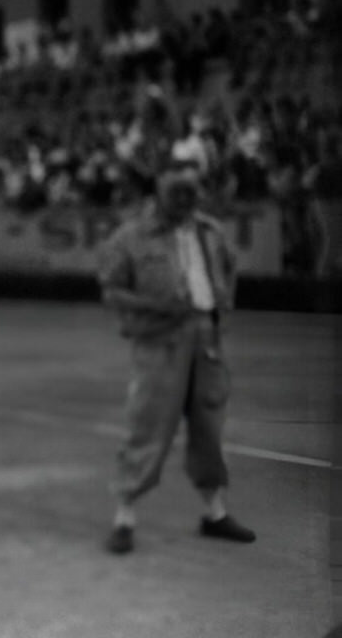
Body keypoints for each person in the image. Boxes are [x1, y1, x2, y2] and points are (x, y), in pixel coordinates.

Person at [98, 156, 256, 555]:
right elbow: (112, 290)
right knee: (147, 424)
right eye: (176, 191)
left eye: (191, 190)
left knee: (210, 426)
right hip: (159, 339)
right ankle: (124, 516)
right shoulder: (131, 237)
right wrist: (154, 308)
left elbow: (229, 269)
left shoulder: (210, 231)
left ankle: (215, 513)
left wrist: (222, 306)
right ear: (159, 193)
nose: (185, 198)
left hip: (206, 336)